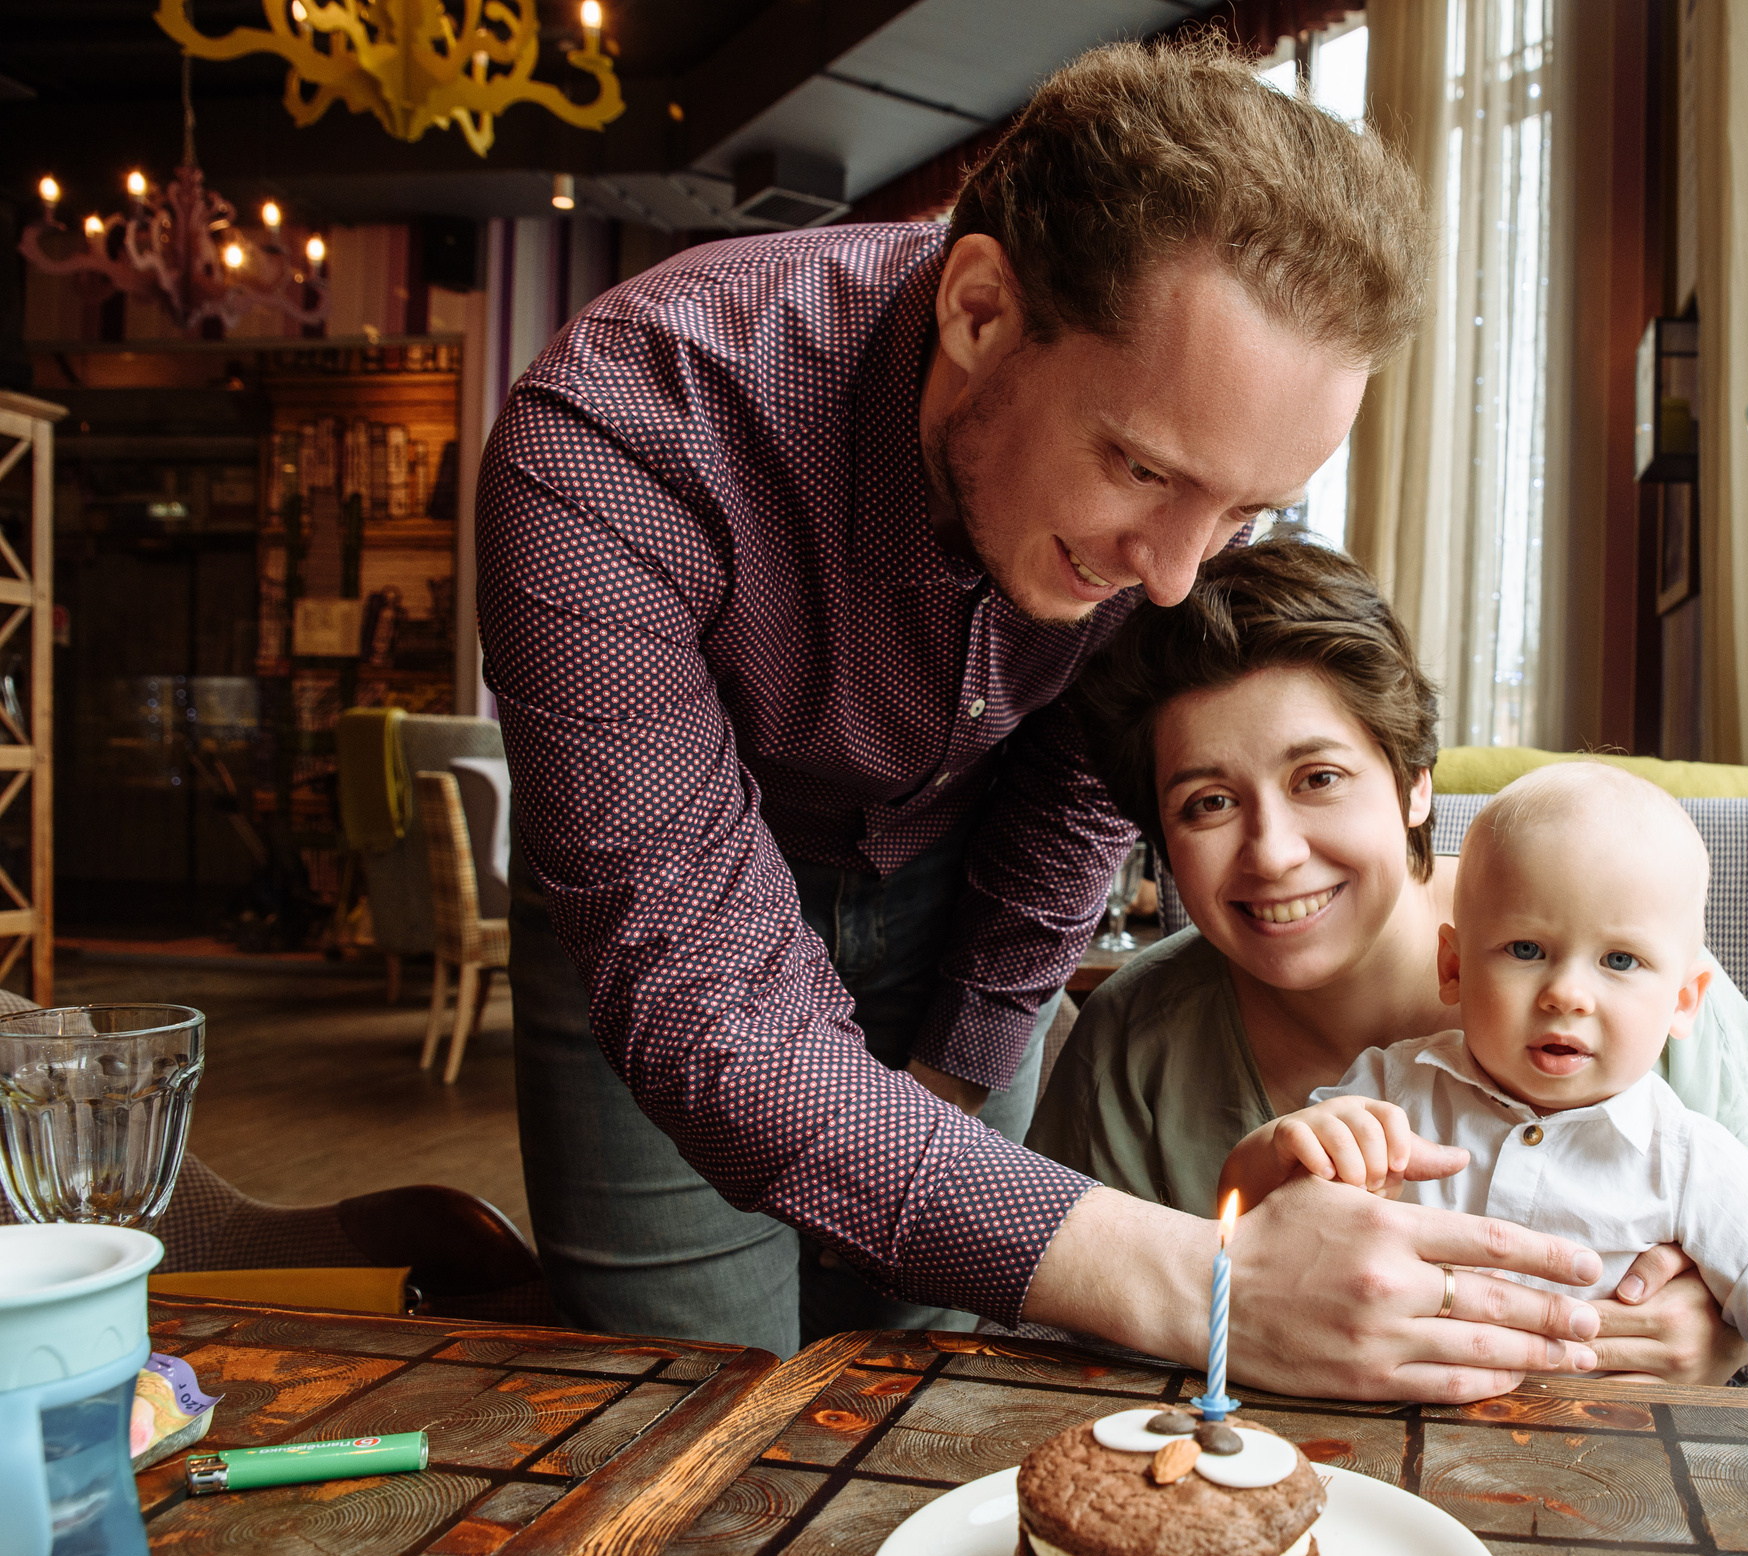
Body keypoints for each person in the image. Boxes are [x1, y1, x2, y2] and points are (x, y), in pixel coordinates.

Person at [481, 37, 1612, 1399]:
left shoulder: (1180, 515)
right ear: (978, 309)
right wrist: (1211, 1287)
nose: (1178, 574)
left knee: (937, 1401)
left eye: (1244, 515)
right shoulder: (610, 436)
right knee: (683, 1410)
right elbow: (717, 1017)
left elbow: (1082, 777)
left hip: (957, 903)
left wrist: (960, 1068)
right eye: (1141, 467)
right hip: (671, 931)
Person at [1033, 539, 1748, 1383]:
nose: (1272, 853)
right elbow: (1056, 1348)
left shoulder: (1627, 971)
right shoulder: (1132, 1043)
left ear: (1415, 781)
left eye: (1318, 777)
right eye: (1208, 803)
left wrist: (1721, 1332)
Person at [1217, 763, 1748, 1469]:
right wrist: (1281, 1151)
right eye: (1525, 949)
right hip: (1388, 1449)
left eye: (1620, 960)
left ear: (1685, 1000)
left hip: (1613, 1468)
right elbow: (1260, 1222)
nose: (1566, 992)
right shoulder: (1392, 1091)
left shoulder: (1691, 1157)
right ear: (1453, 966)